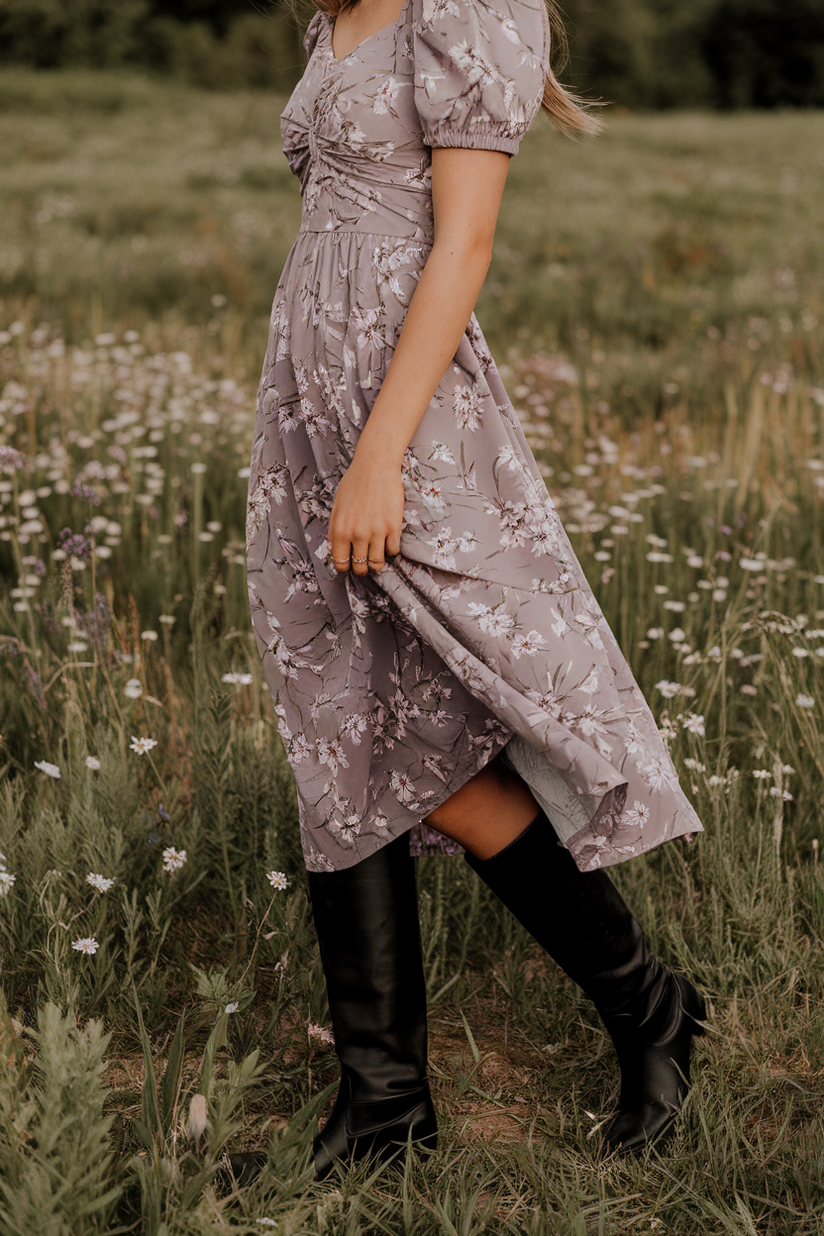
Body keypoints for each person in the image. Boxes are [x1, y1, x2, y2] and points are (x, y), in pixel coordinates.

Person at [240, 0, 709, 1185]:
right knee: (344, 735)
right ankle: (385, 1108)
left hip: (405, 422)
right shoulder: (339, 12)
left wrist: (381, 453)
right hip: (308, 409)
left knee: (456, 717)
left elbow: (462, 243)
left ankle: (645, 1003)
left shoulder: (470, 6)